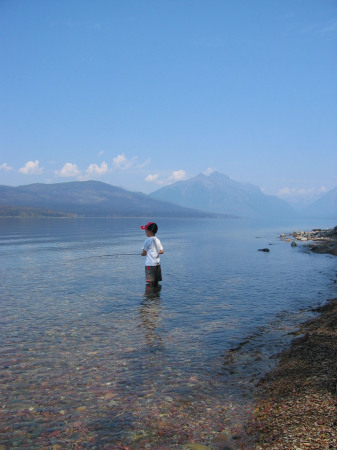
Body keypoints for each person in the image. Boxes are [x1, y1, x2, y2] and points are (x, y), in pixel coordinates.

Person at [140, 222, 164, 287]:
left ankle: (149, 296)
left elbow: (144, 253)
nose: (145, 232)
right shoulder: (157, 240)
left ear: (149, 231)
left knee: (150, 283)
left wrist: (142, 254)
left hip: (150, 264)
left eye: (145, 230)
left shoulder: (147, 240)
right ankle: (156, 296)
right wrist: (155, 252)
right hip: (157, 264)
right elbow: (161, 251)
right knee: (156, 282)